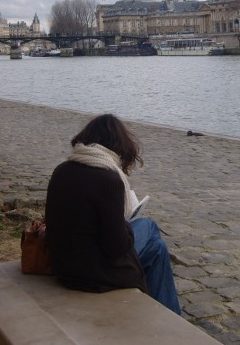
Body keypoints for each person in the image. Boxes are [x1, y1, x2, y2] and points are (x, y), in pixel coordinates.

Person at [45, 114, 181, 315]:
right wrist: (124, 221)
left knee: (157, 248)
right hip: (91, 272)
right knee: (151, 230)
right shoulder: (108, 180)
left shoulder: (62, 169)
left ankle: (165, 315)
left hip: (62, 263)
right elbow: (116, 247)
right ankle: (171, 318)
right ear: (118, 146)